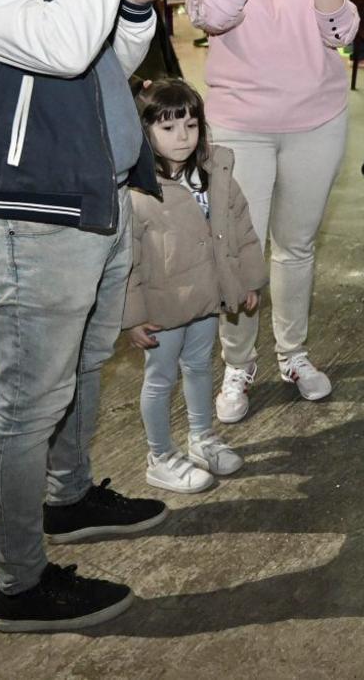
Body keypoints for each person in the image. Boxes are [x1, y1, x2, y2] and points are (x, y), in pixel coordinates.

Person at [0, 0, 171, 632]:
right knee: (25, 404)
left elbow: (100, 62)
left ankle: (71, 495)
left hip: (92, 193)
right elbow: (56, 46)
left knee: (83, 370)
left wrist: (137, 4)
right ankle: (19, 585)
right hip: (31, 213)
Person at [187, 0, 358, 422]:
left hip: (317, 118)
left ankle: (294, 355)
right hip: (242, 127)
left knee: (297, 246)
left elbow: (343, 31)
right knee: (240, 252)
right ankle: (238, 366)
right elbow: (215, 15)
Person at [124, 79, 266, 493]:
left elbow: (241, 228)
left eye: (190, 124)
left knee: (202, 367)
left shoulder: (214, 172)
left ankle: (202, 439)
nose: (182, 136)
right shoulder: (136, 189)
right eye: (168, 128)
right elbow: (125, 261)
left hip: (207, 299)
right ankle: (161, 456)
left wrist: (248, 280)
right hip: (161, 309)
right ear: (144, 131)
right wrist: (132, 316)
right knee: (160, 378)